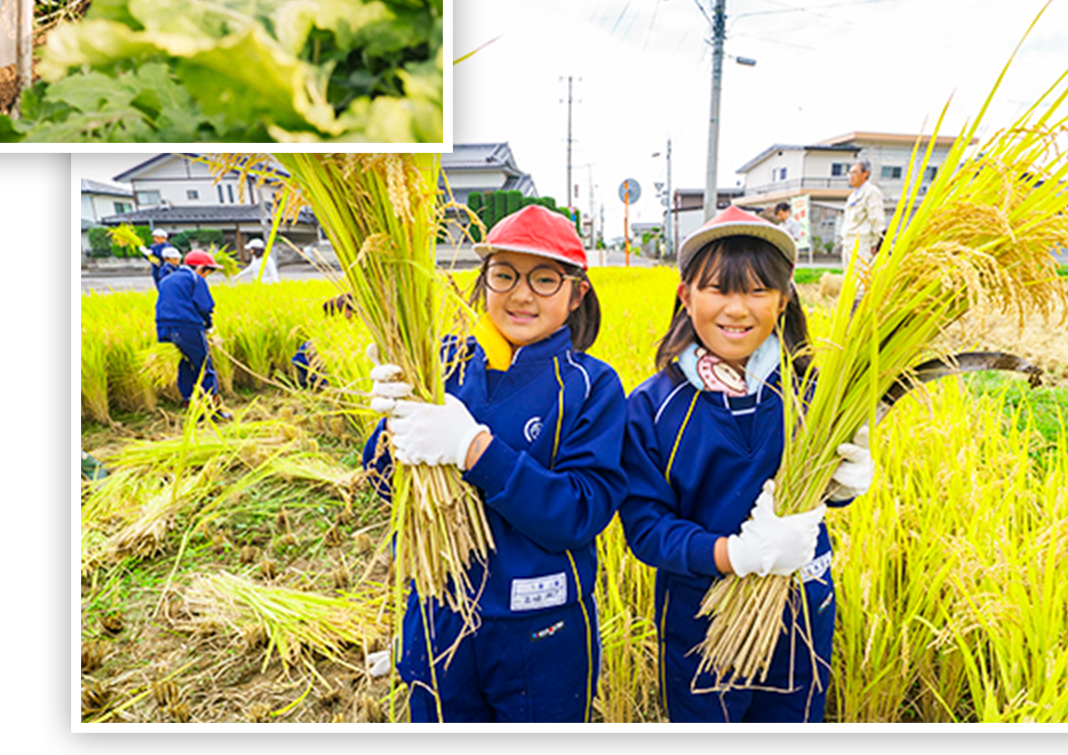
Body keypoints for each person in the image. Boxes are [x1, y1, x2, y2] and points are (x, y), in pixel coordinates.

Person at [363, 205, 627, 723]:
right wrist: (388, 424)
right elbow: (380, 485)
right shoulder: (441, 364)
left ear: (577, 294)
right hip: (437, 613)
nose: (521, 294)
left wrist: (472, 450)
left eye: (545, 278)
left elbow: (580, 511)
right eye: (503, 274)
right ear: (483, 282)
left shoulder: (590, 385)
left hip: (540, 627)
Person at [620, 205, 873, 722]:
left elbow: (822, 491)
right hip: (701, 616)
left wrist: (844, 484)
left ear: (783, 301)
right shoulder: (652, 407)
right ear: (685, 296)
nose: (737, 309)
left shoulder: (812, 393)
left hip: (801, 607)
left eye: (758, 290)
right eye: (718, 289)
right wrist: (735, 554)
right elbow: (646, 529)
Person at [155, 248, 224, 416]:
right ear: (201, 268)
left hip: (164, 327)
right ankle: (214, 410)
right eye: (209, 271)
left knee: (185, 365)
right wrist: (208, 326)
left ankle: (192, 409)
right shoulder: (195, 279)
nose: (207, 275)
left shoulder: (166, 280)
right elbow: (204, 306)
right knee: (204, 367)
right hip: (187, 326)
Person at [841, 159, 887, 278]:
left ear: (865, 174)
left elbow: (877, 219)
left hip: (862, 243)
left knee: (861, 280)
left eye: (855, 173)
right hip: (848, 243)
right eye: (850, 173)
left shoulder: (871, 192)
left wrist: (876, 243)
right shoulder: (852, 196)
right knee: (849, 278)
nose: (851, 176)